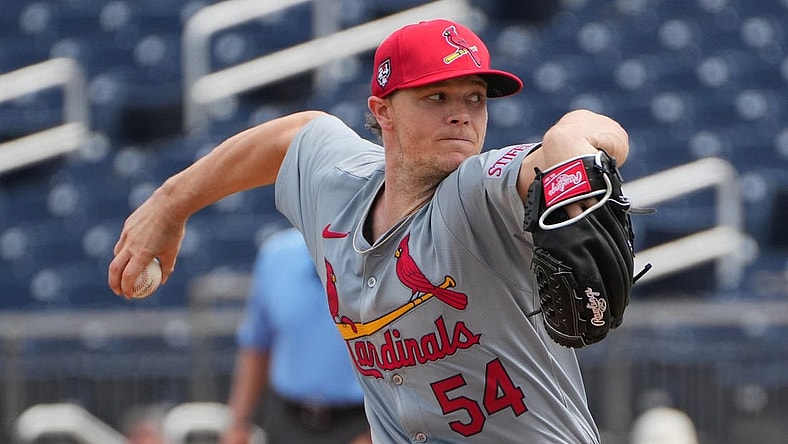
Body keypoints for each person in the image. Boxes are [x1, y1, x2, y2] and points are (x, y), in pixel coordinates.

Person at [109, 18, 630, 443]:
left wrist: (571, 143)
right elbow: (293, 135)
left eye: (475, 98)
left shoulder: (479, 192)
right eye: (436, 97)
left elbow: (578, 138)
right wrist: (169, 204)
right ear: (382, 112)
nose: (462, 116)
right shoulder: (340, 185)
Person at [221, 228, 371, 444]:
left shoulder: (382, 257)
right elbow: (257, 345)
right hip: (287, 421)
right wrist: (238, 423)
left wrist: (377, 432)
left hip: (362, 424)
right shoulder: (276, 255)